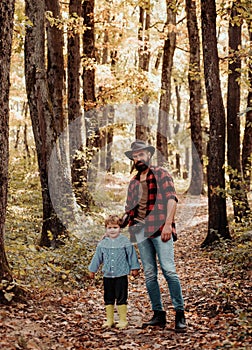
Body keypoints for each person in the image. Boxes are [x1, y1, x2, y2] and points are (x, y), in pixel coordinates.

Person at [122, 140, 187, 332]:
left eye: (141, 155)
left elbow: (172, 199)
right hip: (140, 232)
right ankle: (158, 315)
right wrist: (119, 224)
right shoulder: (133, 182)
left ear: (148, 155)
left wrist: (168, 224)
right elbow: (129, 209)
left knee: (169, 270)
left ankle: (180, 314)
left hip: (160, 228)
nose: (139, 158)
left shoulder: (161, 173)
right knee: (150, 274)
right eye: (135, 156)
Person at [88, 214, 140, 329]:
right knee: (108, 297)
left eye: (115, 227)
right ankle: (110, 320)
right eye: (110, 228)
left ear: (120, 228)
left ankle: (122, 320)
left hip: (121, 274)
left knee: (121, 296)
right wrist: (92, 270)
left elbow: (131, 255)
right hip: (107, 275)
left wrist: (134, 267)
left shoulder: (125, 241)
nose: (112, 230)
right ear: (106, 229)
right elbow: (97, 257)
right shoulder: (103, 243)